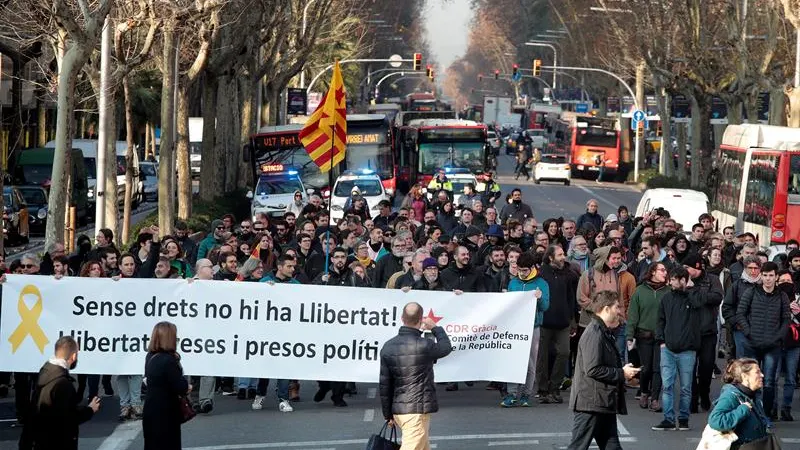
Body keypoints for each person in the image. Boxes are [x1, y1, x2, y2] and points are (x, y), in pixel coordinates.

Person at [567, 291, 639, 450]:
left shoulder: (601, 331)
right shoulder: (594, 333)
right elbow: (593, 369)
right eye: (616, 307)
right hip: (591, 403)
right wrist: (622, 373)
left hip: (602, 401)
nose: (619, 311)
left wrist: (622, 372)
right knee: (578, 446)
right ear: (606, 309)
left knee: (612, 446)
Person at [380, 302, 453, 450]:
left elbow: (385, 385)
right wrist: (435, 328)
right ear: (420, 320)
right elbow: (445, 347)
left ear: (402, 318)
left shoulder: (387, 346)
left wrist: (388, 414)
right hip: (417, 410)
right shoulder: (425, 344)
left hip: (399, 409)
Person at [20, 336, 100, 450]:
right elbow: (69, 418)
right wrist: (90, 410)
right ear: (73, 356)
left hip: (39, 440)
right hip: (57, 442)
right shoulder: (63, 384)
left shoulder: (45, 372)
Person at [653, 267, 703, 431]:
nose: (670, 281)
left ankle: (683, 419)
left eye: (674, 279)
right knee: (667, 386)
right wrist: (661, 341)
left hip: (688, 350)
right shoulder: (666, 298)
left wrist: (689, 288)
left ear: (682, 280)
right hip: (668, 349)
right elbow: (660, 320)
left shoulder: (693, 296)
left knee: (686, 387)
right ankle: (668, 419)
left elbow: (699, 304)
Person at [502, 252, 550, 407]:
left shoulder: (541, 283)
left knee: (530, 362)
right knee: (512, 360)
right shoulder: (513, 283)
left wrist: (540, 297)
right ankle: (512, 393)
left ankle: (526, 394)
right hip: (515, 327)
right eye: (519, 269)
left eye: (524, 270)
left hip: (533, 327)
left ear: (532, 268)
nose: (521, 273)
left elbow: (545, 307)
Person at [626, 262, 669, 412]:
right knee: (646, 368)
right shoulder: (640, 291)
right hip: (644, 335)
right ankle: (644, 392)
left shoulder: (668, 291)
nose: (665, 272)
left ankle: (655, 398)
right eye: (662, 270)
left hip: (662, 337)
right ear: (652, 272)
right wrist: (629, 335)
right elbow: (632, 315)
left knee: (658, 368)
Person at [143, 321, 191, 450]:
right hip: (166, 413)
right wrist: (188, 386)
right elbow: (180, 386)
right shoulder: (168, 360)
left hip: (151, 410)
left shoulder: (150, 356)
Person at [707, 358, 770, 449]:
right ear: (744, 376)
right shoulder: (730, 395)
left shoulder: (753, 395)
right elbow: (716, 420)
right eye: (757, 372)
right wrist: (742, 410)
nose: (762, 375)